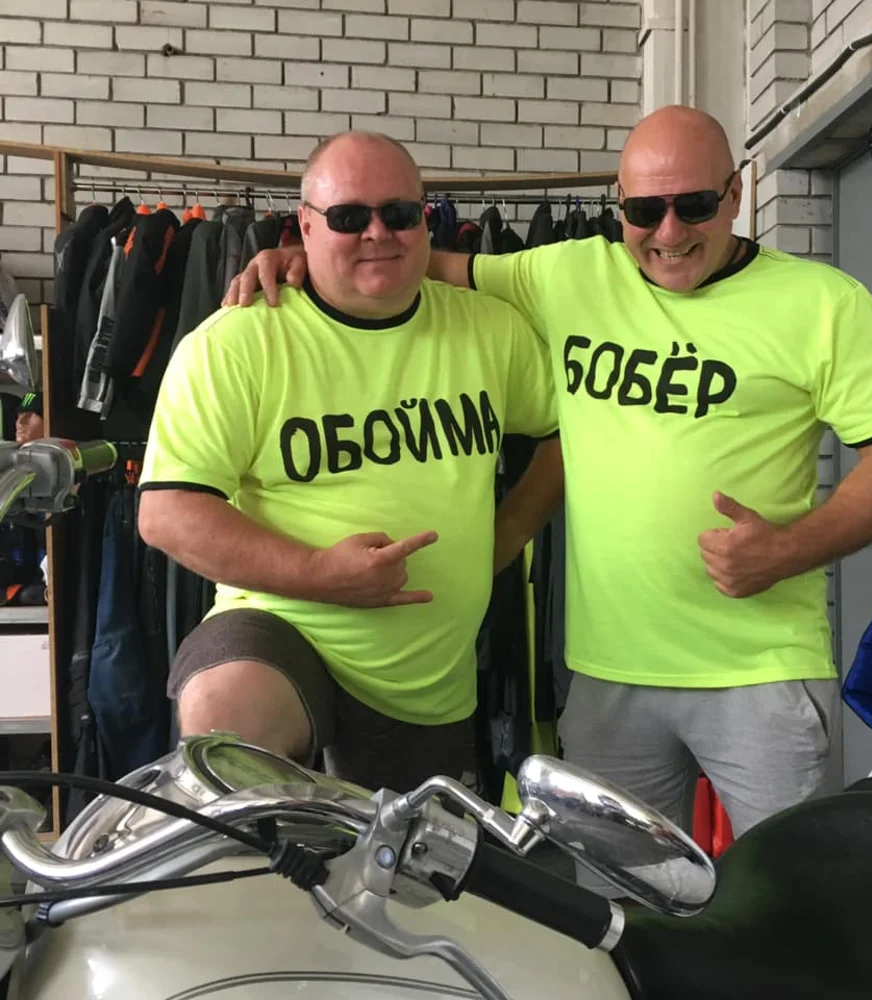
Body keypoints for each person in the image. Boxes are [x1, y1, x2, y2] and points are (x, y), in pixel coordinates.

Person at [224, 106, 872, 842]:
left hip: (758, 671)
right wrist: (304, 258)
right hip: (606, 676)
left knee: (790, 888)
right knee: (614, 895)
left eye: (694, 205)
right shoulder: (570, 272)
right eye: (644, 210)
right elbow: (417, 262)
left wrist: (789, 549)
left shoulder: (821, 303)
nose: (669, 232)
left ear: (736, 193)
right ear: (618, 206)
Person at [137, 131, 560, 795]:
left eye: (399, 214)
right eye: (348, 216)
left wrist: (503, 539)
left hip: (427, 682)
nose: (378, 233)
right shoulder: (238, 341)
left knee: (414, 859)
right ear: (304, 226)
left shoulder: (489, 330)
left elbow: (569, 430)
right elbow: (167, 513)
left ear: (426, 222)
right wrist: (319, 574)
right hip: (282, 630)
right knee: (229, 724)